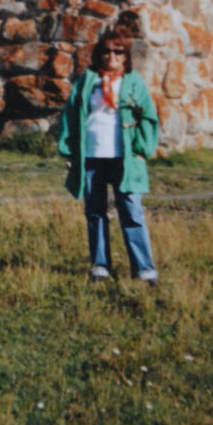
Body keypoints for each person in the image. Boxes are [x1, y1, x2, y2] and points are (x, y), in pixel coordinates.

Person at [57, 26, 160, 282]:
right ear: (98, 54)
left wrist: (142, 150)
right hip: (91, 157)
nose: (112, 56)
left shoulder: (134, 82)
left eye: (118, 51)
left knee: (131, 212)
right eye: (106, 51)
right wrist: (68, 149)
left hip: (124, 159)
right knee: (95, 212)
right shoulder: (87, 81)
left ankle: (144, 269)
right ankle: (100, 266)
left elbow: (148, 117)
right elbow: (70, 115)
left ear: (126, 56)